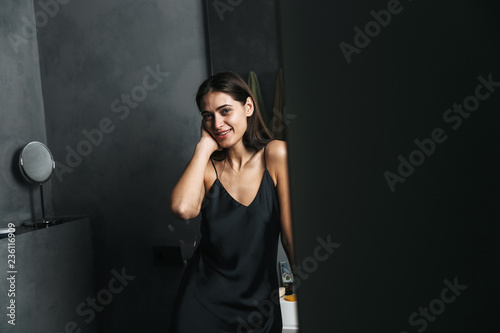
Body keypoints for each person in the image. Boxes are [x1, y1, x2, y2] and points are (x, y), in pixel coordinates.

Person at [168, 72, 294, 333]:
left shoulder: (276, 155)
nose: (217, 123)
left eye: (225, 111)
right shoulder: (207, 168)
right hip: (201, 304)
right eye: (208, 116)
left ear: (248, 107)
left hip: (260, 307)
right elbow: (183, 209)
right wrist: (203, 147)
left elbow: (292, 239)